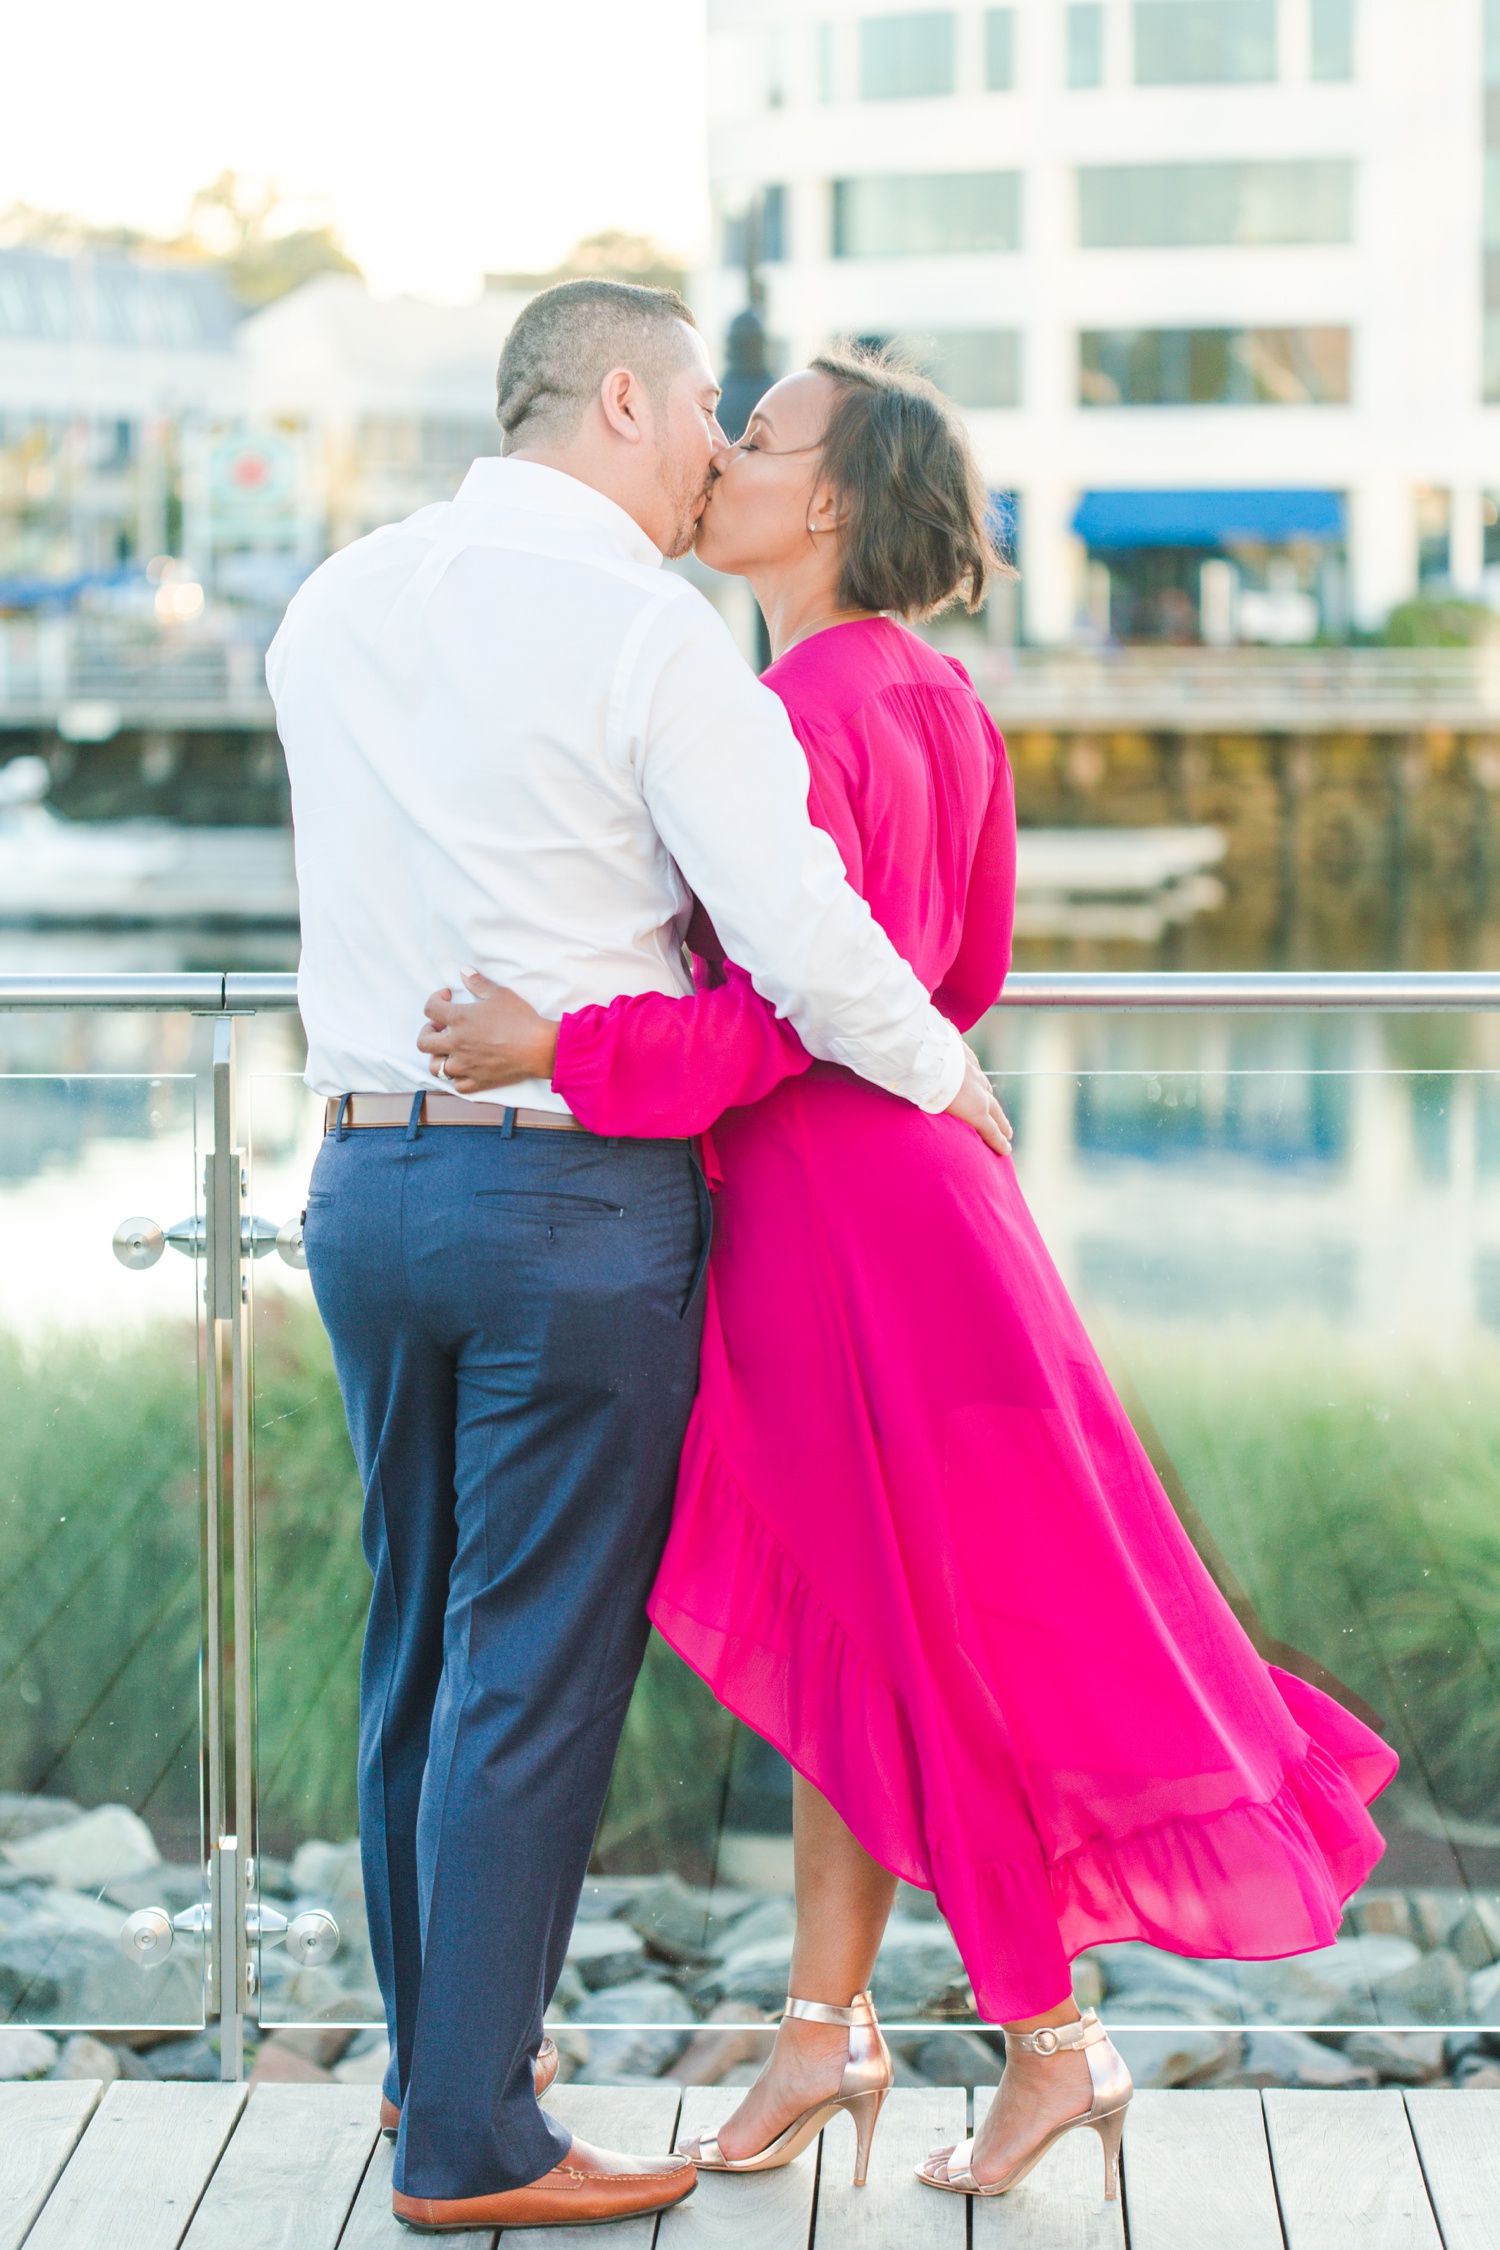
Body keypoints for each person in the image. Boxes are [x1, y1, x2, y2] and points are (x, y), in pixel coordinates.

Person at [418, 347, 1400, 2204]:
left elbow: (781, 1018)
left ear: (837, 503)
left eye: (759, 442)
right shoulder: (941, 697)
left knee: (914, 1634)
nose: (719, 465)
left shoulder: (786, 711)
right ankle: (831, 2027)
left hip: (836, 1234)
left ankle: (1046, 2039)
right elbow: (956, 985)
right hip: (933, 1204)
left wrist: (565, 1046)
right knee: (867, 1622)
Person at [266, 283, 1008, 2235]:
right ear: (619, 396)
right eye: (700, 413)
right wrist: (948, 1076)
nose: (711, 456)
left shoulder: (332, 600)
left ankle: (445, 2086)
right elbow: (808, 938)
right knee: (532, 1667)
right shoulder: (648, 634)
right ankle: (472, 2143)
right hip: (571, 1205)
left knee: (416, 1644)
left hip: (359, 1188)